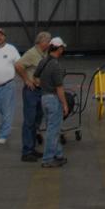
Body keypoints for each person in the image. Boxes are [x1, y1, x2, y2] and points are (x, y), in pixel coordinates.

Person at [15, 31, 51, 162]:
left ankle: (32, 148)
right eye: (48, 41)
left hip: (41, 91)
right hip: (31, 92)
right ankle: (26, 152)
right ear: (41, 42)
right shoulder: (32, 53)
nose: (49, 43)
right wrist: (26, 80)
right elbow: (18, 65)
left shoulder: (45, 54)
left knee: (36, 120)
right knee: (29, 121)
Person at [34, 37, 69, 168]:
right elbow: (59, 88)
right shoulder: (56, 65)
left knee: (52, 128)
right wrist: (64, 104)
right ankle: (47, 159)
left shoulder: (43, 61)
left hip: (44, 98)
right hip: (53, 100)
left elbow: (35, 76)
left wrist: (43, 85)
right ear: (59, 49)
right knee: (53, 132)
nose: (63, 50)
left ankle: (58, 155)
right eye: (62, 48)